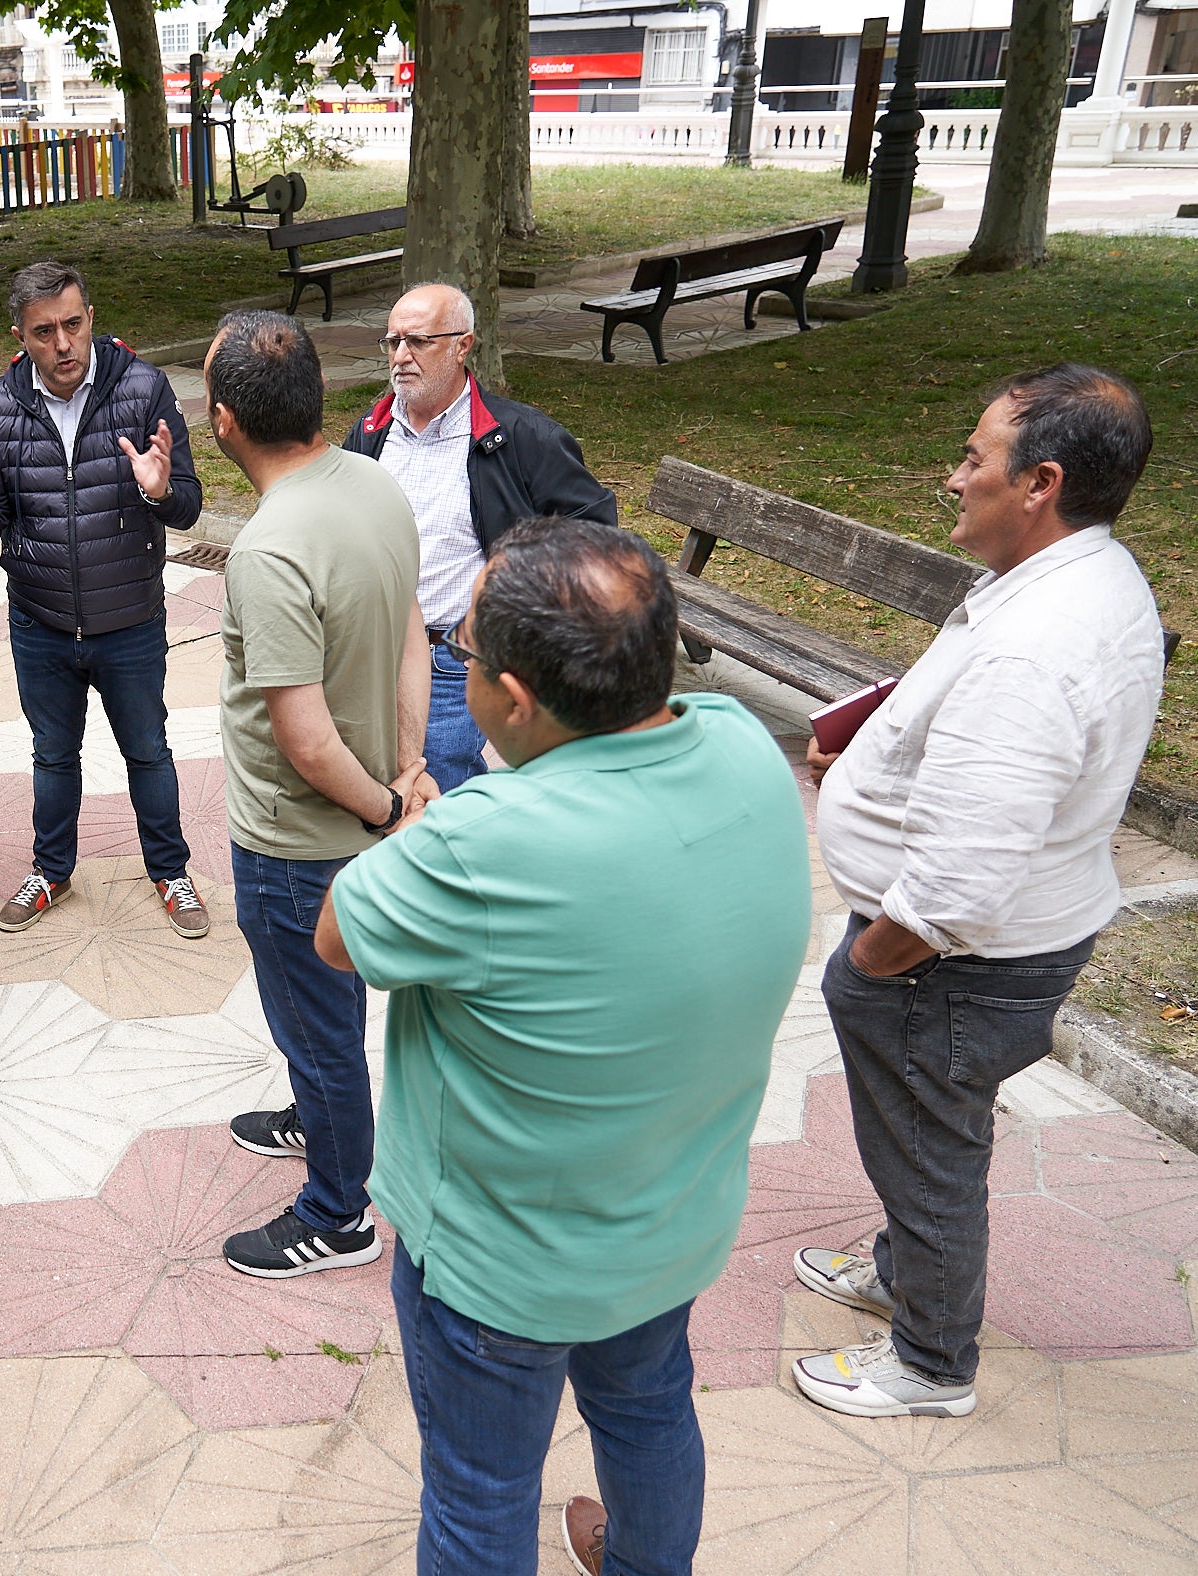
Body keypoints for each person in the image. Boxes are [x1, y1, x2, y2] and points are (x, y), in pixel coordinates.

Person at [319, 519, 811, 1574]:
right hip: (667, 1220)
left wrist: (418, 816)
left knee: (481, 1493)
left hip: (504, 1265)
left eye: (462, 652)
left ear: (514, 698)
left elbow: (337, 933)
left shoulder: (480, 840)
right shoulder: (739, 748)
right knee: (646, 1413)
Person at [794, 365, 1166, 1422]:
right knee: (928, 1135)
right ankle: (906, 1275)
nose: (952, 475)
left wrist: (868, 969)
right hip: (973, 957)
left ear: (1040, 482)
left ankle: (929, 1361)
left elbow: (958, 887)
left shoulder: (1036, 648)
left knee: (929, 1152)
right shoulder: (1077, 580)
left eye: (972, 458)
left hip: (948, 968)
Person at [195, 309, 434, 1280]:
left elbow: (303, 740)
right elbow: (414, 632)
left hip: (297, 847)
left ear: (223, 422)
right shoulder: (375, 484)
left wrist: (381, 804)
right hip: (373, 805)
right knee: (322, 1017)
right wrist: (410, 770)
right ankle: (314, 1116)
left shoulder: (268, 550)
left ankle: (338, 1214)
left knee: (321, 1026)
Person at [0, 260, 210, 939]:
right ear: (20, 336)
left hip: (131, 621)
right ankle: (51, 871)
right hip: (41, 622)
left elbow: (189, 506)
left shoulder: (144, 389)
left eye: (74, 325)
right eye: (45, 332)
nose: (63, 345)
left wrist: (157, 490)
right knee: (52, 755)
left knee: (147, 750)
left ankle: (170, 871)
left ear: (91, 319)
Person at [343, 283, 618, 793]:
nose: (401, 357)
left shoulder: (523, 436)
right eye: (392, 342)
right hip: (375, 652)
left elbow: (595, 536)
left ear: (463, 345)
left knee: (440, 782)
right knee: (379, 781)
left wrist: (520, 618)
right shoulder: (370, 432)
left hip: (455, 657)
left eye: (419, 342)